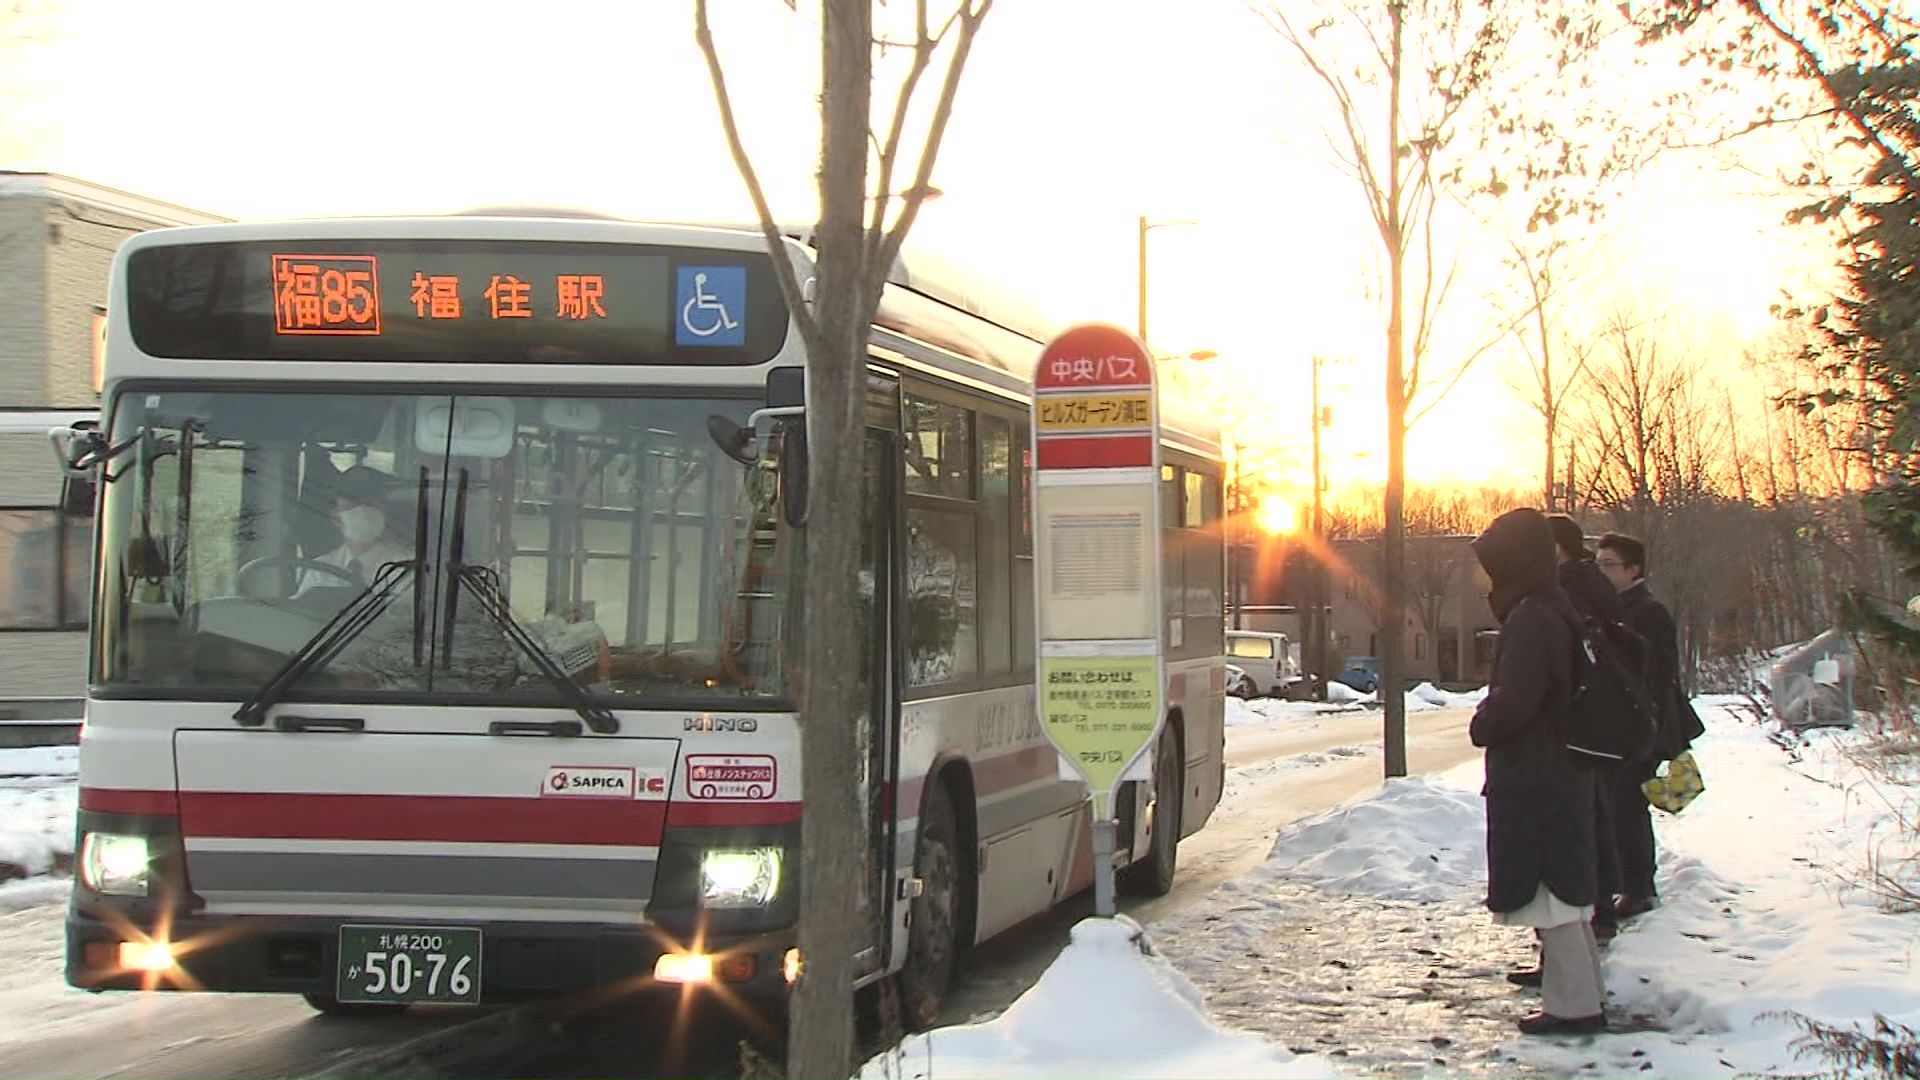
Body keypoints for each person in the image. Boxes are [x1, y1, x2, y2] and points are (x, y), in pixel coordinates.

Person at [1469, 507, 1606, 1036]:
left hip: (1537, 771)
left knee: (1551, 891)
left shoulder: (1532, 617)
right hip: (1558, 768)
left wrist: (1485, 722)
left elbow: (1518, 699)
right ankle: (1583, 994)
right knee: (1565, 890)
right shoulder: (1554, 606)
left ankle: (1574, 1008)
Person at [1595, 532, 1705, 921]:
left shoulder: (1647, 612)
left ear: (1633, 569)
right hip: (1621, 726)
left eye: (1609, 564)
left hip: (1641, 727)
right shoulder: (1613, 608)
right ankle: (1628, 882)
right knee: (1616, 805)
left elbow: (1657, 672)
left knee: (1628, 806)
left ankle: (1639, 887)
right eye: (1598, 564)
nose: (1601, 571)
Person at [1547, 514, 1627, 945]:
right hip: (1600, 718)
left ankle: (1590, 919)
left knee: (1582, 826)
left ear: (1558, 548)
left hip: (1579, 722)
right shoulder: (1593, 584)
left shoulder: (1568, 590)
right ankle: (1601, 911)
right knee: (1597, 818)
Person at [296, 465, 410, 596]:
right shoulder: (319, 570)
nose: (363, 512)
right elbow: (298, 607)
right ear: (335, 517)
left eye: (370, 504)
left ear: (384, 511)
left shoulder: (406, 568)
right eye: (352, 504)